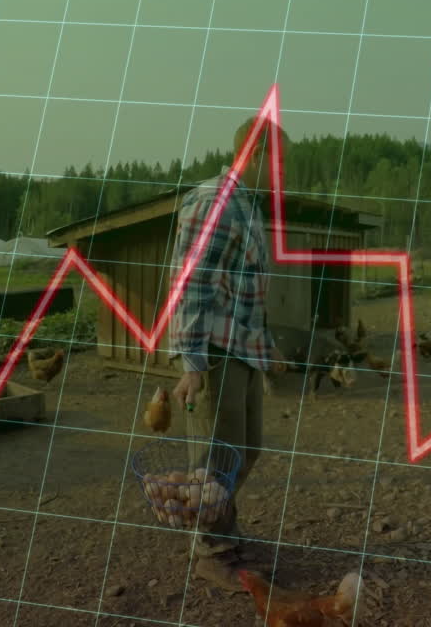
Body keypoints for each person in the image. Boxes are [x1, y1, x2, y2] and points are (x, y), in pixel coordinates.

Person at [169, 115, 289, 592]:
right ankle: (213, 550)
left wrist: (265, 348)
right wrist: (192, 361)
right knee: (218, 459)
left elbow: (242, 290)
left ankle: (220, 530)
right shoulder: (214, 204)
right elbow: (191, 284)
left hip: (239, 349)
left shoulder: (246, 206)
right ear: (257, 155)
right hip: (214, 351)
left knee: (246, 450)